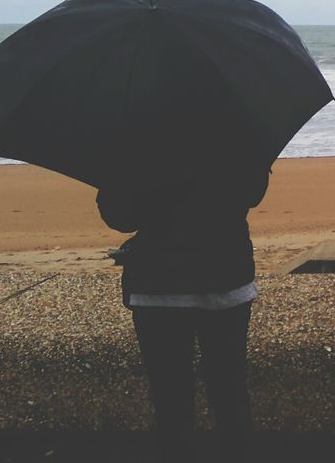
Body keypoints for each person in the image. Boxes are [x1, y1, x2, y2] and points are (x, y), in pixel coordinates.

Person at [98, 162, 268, 463]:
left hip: (158, 285)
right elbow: (252, 193)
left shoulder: (136, 140)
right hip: (224, 276)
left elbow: (119, 215)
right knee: (230, 394)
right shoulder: (233, 133)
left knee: (170, 400)